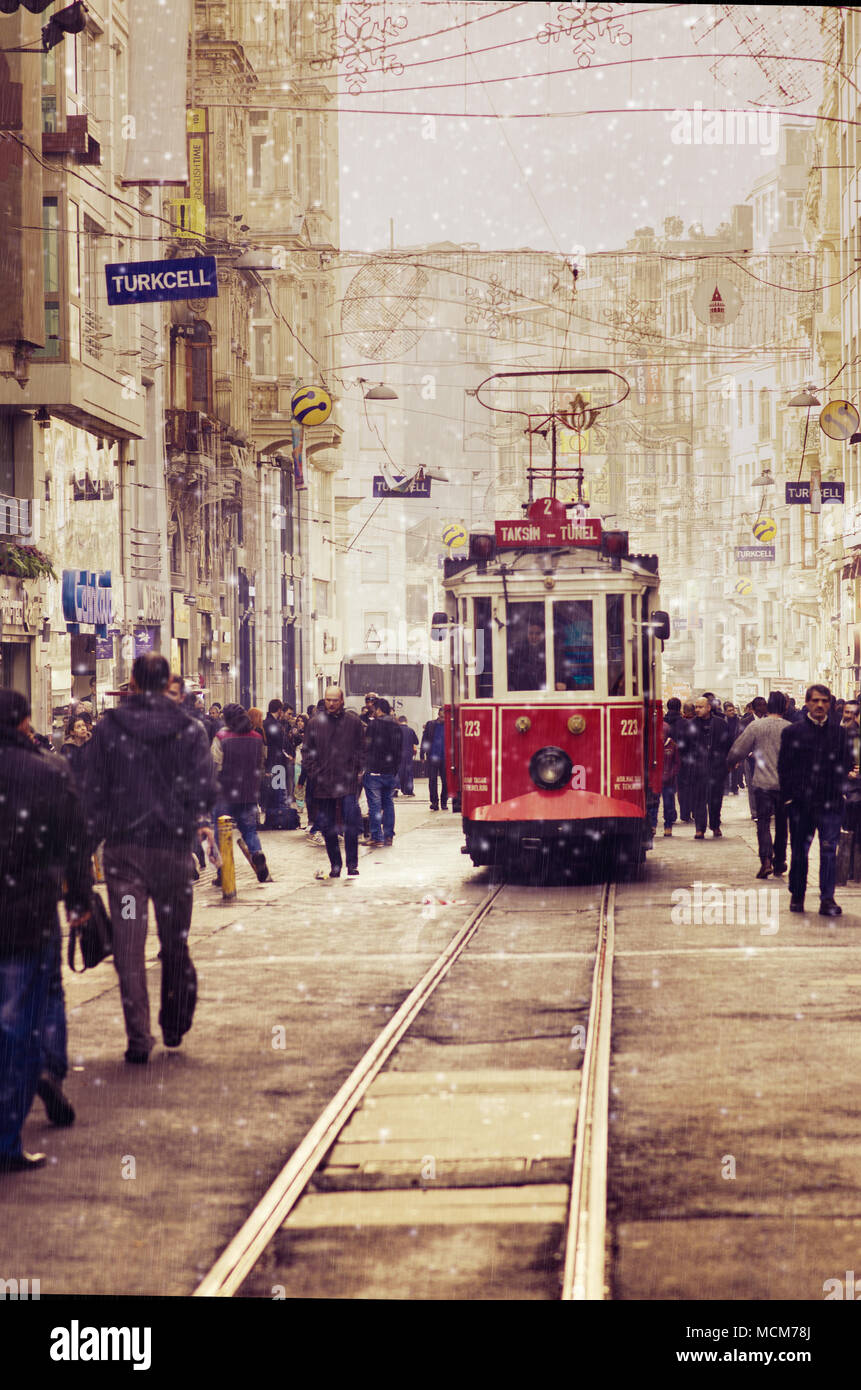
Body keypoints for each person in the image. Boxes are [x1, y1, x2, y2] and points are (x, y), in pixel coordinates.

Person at [78, 654, 218, 1063]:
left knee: (128, 945)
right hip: (173, 855)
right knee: (174, 941)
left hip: (125, 859)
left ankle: (139, 1036)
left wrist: (83, 851)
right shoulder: (189, 731)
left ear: (134, 683)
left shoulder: (108, 729)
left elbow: (93, 792)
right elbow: (204, 790)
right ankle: (173, 1022)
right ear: (165, 683)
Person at [0, 690, 92, 1170]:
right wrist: (78, 900)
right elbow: (75, 842)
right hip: (28, 914)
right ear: (25, 723)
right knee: (27, 1012)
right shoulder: (49, 771)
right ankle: (10, 1136)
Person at [778, 684, 855, 917]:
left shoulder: (840, 734)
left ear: (830, 704)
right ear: (808, 703)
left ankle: (827, 899)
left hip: (830, 804)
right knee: (800, 851)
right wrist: (790, 797)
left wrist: (839, 789)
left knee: (829, 850)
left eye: (824, 701)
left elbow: (847, 764)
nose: (820, 705)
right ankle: (797, 895)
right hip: (801, 805)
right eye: (815, 701)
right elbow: (784, 767)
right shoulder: (793, 732)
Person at [302, 686, 365, 880]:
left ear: (342, 700)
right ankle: (335, 865)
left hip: (346, 782)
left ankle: (352, 864)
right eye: (328, 700)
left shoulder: (353, 723)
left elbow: (362, 748)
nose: (331, 703)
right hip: (323, 783)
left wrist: (356, 769)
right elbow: (306, 752)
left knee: (350, 823)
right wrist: (314, 773)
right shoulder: (314, 724)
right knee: (328, 827)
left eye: (335, 700)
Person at [728, 690, 791, 879]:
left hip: (762, 783)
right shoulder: (790, 728)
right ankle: (779, 861)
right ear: (785, 707)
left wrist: (730, 763)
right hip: (784, 785)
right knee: (781, 824)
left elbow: (738, 750)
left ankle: (765, 860)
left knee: (762, 822)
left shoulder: (756, 727)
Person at [212, 704, 269, 882]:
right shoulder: (257, 737)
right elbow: (261, 763)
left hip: (225, 793)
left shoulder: (222, 737)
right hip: (249, 793)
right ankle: (257, 853)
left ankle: (223, 873)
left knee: (220, 833)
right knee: (249, 830)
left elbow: (215, 766)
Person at [682, 695, 733, 839]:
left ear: (708, 708)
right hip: (698, 769)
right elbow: (684, 747)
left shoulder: (721, 724)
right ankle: (700, 828)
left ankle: (715, 825)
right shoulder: (690, 725)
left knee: (716, 799)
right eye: (696, 707)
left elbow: (728, 744)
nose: (697, 710)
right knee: (698, 800)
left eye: (700, 707)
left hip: (717, 768)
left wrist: (728, 762)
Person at [365, 697, 402, 846]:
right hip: (389, 772)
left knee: (374, 805)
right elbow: (399, 751)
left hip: (374, 771)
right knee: (388, 803)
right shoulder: (396, 726)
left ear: (379, 709)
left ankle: (376, 837)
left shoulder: (373, 725)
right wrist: (394, 769)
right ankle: (388, 836)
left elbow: (367, 746)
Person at [507, 614, 547, 692]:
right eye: (531, 633)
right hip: (523, 693)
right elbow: (511, 674)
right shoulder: (518, 652)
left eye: (538, 634)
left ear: (544, 634)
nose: (534, 637)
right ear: (527, 634)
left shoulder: (550, 650)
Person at [421, 707, 448, 811]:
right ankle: (434, 802)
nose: (443, 719)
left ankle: (444, 802)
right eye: (441, 716)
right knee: (432, 780)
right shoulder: (431, 724)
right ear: (438, 715)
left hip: (445, 758)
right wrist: (422, 753)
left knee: (445, 781)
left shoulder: (449, 725)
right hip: (432, 757)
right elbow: (425, 739)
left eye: (445, 717)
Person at [675, 700, 696, 822]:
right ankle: (694, 811)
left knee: (682, 789)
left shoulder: (680, 724)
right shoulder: (697, 724)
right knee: (694, 787)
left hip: (681, 760)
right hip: (694, 760)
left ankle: (684, 813)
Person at [60, 714, 91, 784]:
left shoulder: (92, 744)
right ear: (72, 732)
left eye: (84, 725)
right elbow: (64, 769)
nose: (83, 728)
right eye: (78, 727)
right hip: (73, 785)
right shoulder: (66, 748)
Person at [722, 701, 742, 794]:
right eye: (729, 710)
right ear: (725, 712)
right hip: (725, 748)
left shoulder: (738, 720)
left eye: (733, 709)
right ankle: (726, 788)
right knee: (725, 768)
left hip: (735, 747)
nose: (732, 712)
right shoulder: (722, 721)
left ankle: (734, 787)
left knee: (735, 768)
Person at [397, 715, 418, 796]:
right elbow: (416, 742)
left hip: (398, 755)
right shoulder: (411, 730)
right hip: (409, 755)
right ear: (406, 721)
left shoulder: (396, 730)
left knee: (398, 772)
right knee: (408, 773)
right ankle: (408, 790)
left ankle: (395, 790)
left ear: (398, 721)